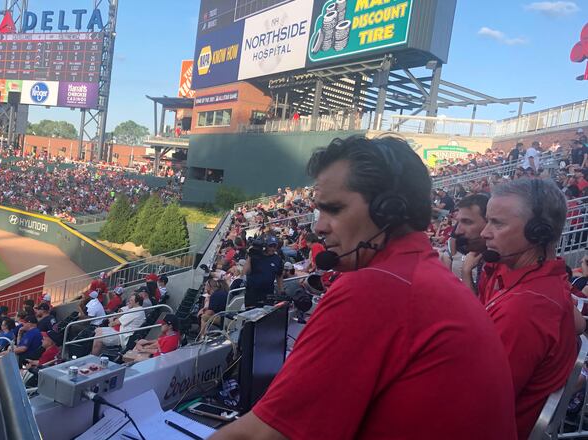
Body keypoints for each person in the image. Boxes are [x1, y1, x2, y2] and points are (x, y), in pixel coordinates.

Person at [212, 135, 516, 439]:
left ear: (389, 210)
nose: (318, 227)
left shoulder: (378, 287)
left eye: (334, 209)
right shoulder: (421, 273)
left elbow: (261, 436)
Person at [479, 178, 578, 438]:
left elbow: (482, 403)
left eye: (497, 223)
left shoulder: (526, 308)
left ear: (538, 233)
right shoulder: (537, 282)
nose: (484, 232)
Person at [451, 193, 490, 294]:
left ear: (490, 223)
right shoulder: (482, 257)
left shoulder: (503, 264)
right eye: (458, 222)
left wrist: (466, 273)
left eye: (467, 222)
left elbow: (478, 309)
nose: (457, 231)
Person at [242, 236, 284, 308]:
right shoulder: (255, 257)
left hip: (268, 294)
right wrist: (250, 256)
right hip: (253, 294)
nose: (273, 248)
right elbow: (246, 272)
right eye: (270, 246)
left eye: (275, 246)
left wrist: (281, 291)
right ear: (265, 246)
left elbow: (279, 275)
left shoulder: (277, 259)